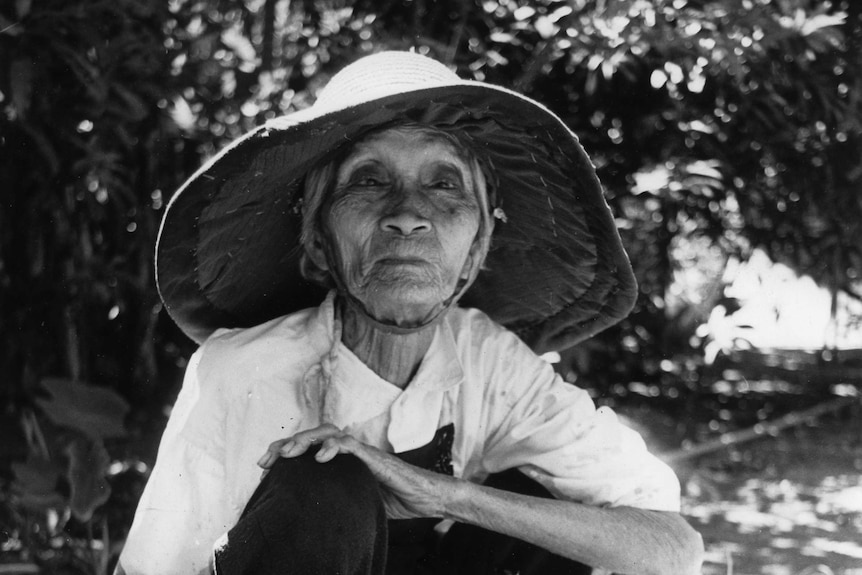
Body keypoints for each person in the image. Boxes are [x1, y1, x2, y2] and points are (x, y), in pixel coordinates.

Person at [117, 51, 704, 575]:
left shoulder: (494, 366)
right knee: (325, 480)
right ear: (320, 242)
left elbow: (671, 547)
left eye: (444, 185)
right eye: (368, 180)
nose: (407, 215)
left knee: (545, 506)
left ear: (475, 250)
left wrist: (444, 494)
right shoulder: (241, 373)